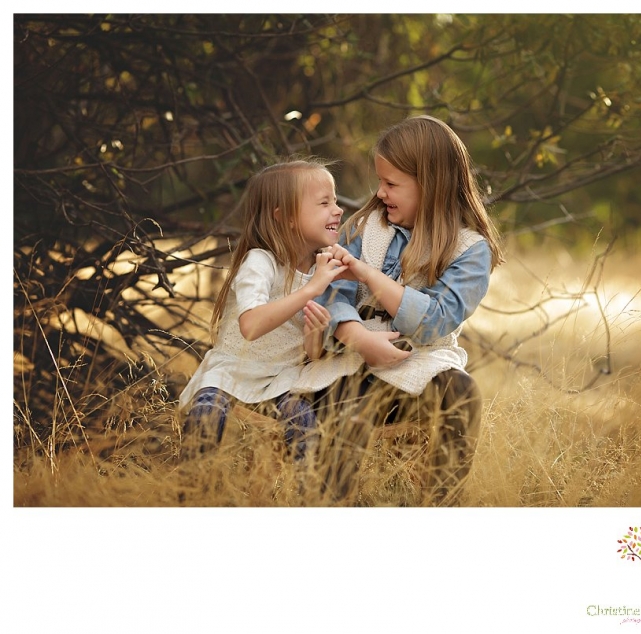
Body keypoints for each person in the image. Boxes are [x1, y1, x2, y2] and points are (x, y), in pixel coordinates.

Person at [293, 115, 505, 504]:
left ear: (432, 185)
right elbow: (331, 293)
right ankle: (329, 506)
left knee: (462, 392)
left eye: (392, 184)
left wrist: (372, 277)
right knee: (347, 404)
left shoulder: (470, 250)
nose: (381, 192)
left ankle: (440, 507)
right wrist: (357, 337)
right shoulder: (366, 227)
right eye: (380, 181)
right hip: (350, 359)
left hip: (418, 362)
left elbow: (435, 322)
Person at [177, 157, 348, 459]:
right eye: (324, 203)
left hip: (283, 379)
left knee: (303, 421)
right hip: (233, 371)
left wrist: (315, 337)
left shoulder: (325, 268)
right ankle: (191, 493)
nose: (338, 209)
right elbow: (252, 325)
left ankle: (304, 497)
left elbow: (312, 354)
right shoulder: (261, 262)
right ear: (287, 217)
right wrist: (312, 288)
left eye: (335, 200)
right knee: (207, 412)